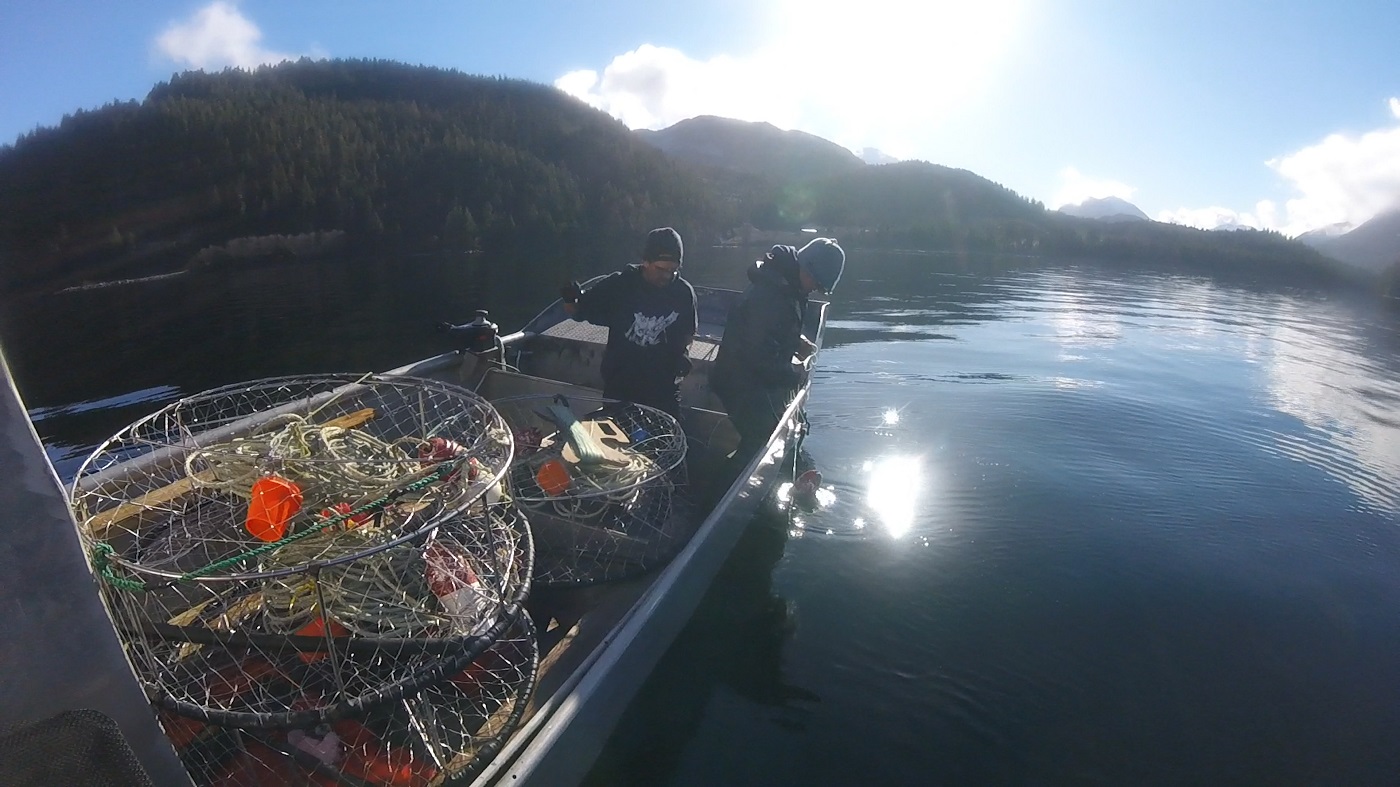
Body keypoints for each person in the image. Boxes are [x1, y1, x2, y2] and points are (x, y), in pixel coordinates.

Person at [710, 237, 845, 462]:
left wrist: (797, 342)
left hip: (756, 379)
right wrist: (795, 375)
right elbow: (757, 356)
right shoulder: (767, 297)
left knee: (772, 426)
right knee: (763, 440)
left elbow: (775, 331)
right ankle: (721, 487)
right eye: (817, 283)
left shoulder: (789, 284)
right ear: (807, 269)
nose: (815, 290)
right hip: (736, 381)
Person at [560, 227, 697, 418]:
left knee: (662, 440)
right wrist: (569, 299)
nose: (667, 276)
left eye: (673, 271)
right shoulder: (620, 285)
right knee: (618, 443)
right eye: (661, 269)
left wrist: (681, 356)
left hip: (662, 388)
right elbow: (577, 311)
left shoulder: (683, 293)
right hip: (621, 386)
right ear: (645, 261)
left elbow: (687, 333)